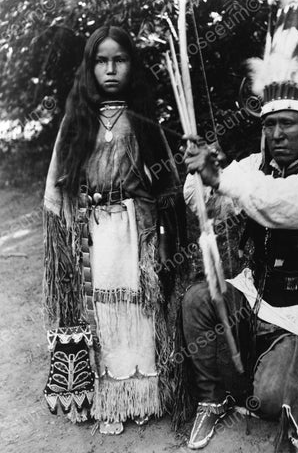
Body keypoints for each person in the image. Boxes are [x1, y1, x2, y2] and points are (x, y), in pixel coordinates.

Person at [181, 0, 298, 450]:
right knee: (199, 301)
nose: (277, 135)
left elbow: (281, 205)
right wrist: (202, 174)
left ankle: (275, 386)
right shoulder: (255, 168)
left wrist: (225, 178)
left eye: (288, 125)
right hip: (255, 293)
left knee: (271, 399)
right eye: (270, 125)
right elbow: (206, 204)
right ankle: (213, 399)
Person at [42, 26, 184, 435]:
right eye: (100, 61)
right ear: (90, 69)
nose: (109, 69)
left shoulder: (143, 121)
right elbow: (57, 185)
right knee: (101, 313)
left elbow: (168, 188)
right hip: (93, 234)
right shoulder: (76, 120)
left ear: (131, 66)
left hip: (134, 231)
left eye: (118, 60)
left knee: (139, 309)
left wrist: (162, 238)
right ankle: (106, 398)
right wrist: (64, 240)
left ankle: (141, 395)